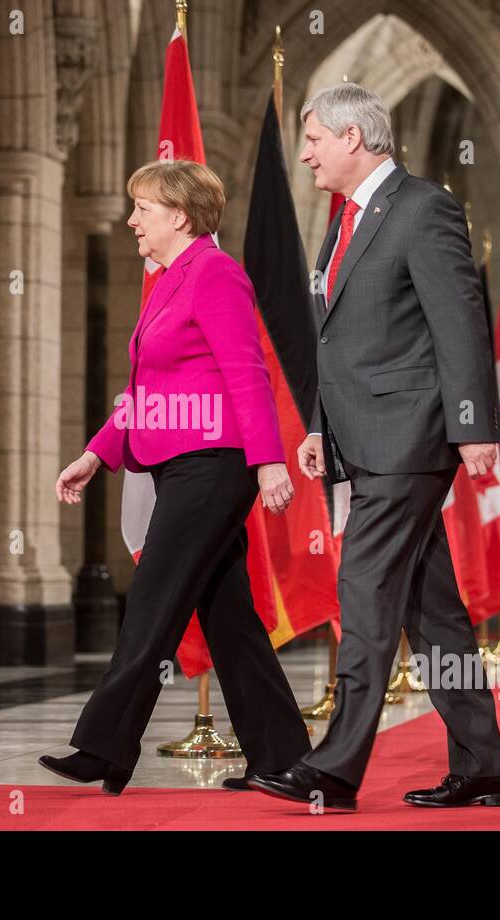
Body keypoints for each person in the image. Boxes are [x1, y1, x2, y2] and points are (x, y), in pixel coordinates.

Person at [247, 82, 500, 811]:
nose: (304, 153)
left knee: (364, 594)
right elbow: (339, 338)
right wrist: (315, 426)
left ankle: (333, 770)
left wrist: (473, 429)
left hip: (409, 440)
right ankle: (484, 764)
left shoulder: (424, 208)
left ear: (353, 139)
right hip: (358, 435)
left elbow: (458, 319)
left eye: (313, 139)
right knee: (432, 613)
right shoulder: (345, 219)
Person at [40, 159, 312, 794]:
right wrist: (97, 453)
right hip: (181, 467)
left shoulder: (215, 273)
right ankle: (282, 759)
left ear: (180, 216)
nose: (132, 218)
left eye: (144, 207)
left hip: (213, 469)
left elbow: (248, 372)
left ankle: (103, 747)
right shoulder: (168, 279)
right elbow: (146, 388)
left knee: (152, 605)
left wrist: (269, 461)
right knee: (230, 621)